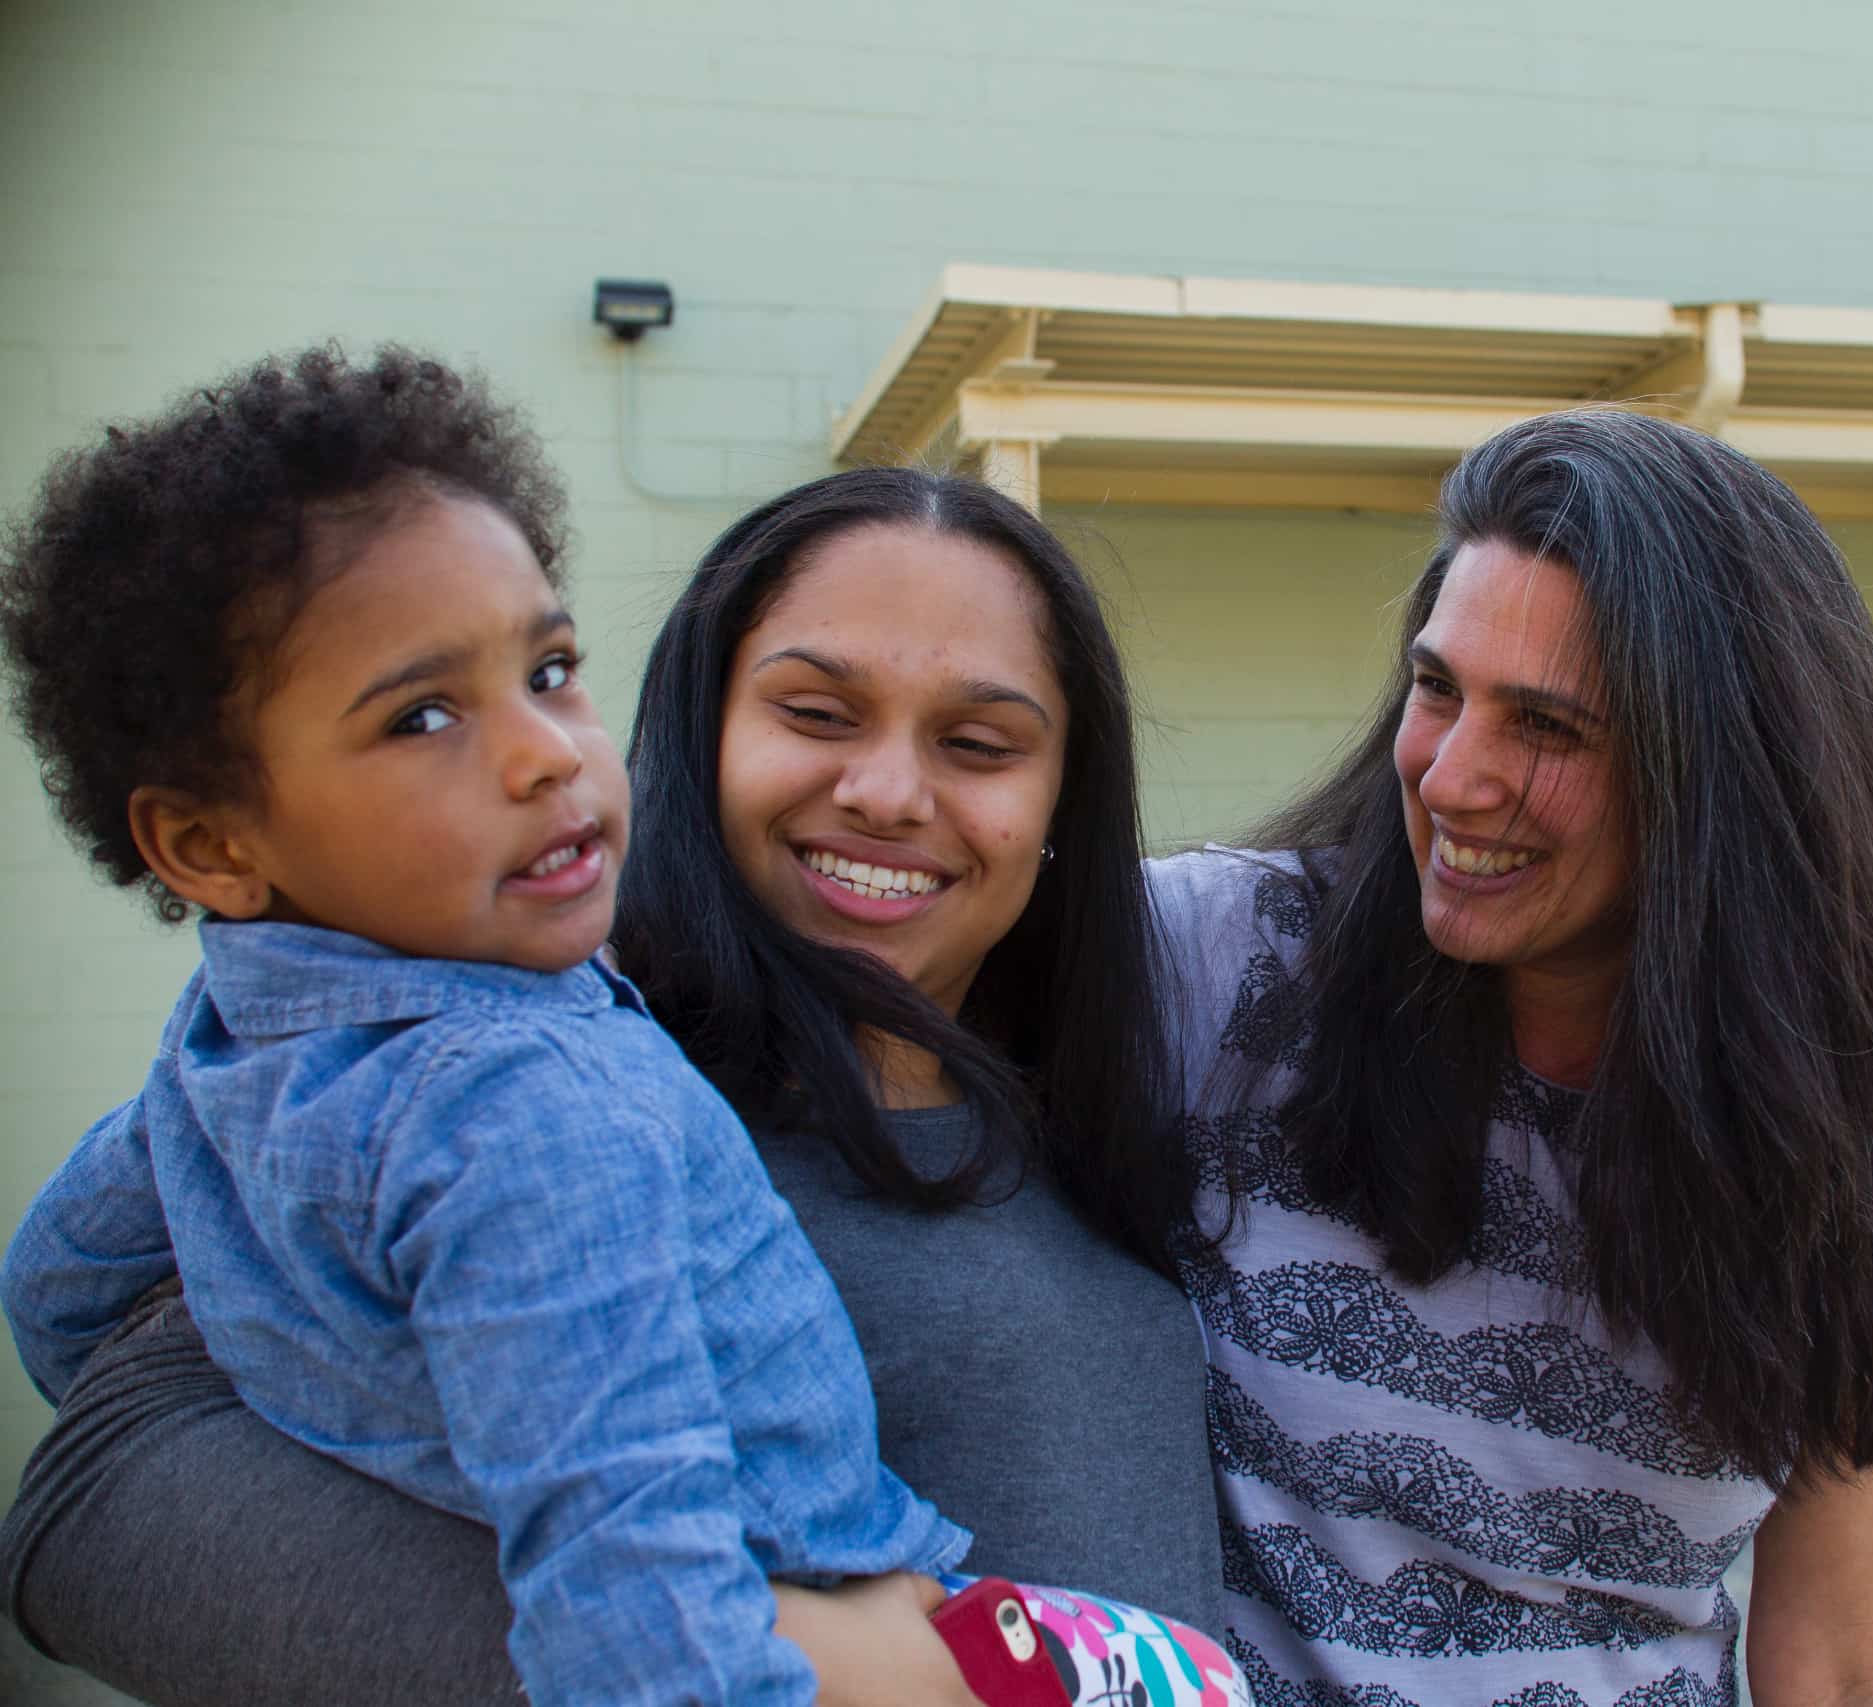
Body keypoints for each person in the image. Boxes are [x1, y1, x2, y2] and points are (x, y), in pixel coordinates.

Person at [0, 351, 1231, 1707]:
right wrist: (880, 1676)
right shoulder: (519, 1091)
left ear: (1067, 799)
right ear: (696, 733)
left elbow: (54, 1294)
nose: (886, 791)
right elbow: (95, 1492)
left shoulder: (1149, 1089)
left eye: (982, 745)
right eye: (814, 713)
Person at [1147, 408, 1873, 1706]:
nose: (1451, 777)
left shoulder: (1849, 1152)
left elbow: (1839, 1650)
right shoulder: (1224, 963)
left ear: (1720, 782)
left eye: (1547, 727)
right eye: (1439, 689)